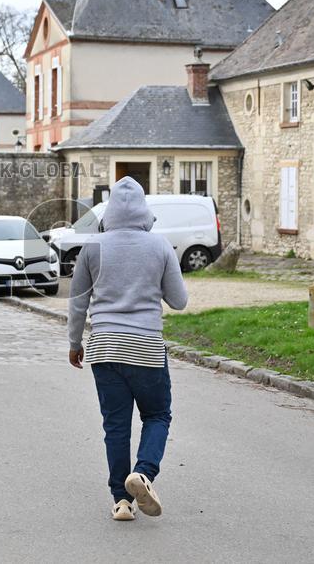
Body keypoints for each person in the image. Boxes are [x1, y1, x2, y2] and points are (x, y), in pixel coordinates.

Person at [66, 177, 188, 521]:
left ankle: (122, 501)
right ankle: (144, 473)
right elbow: (179, 301)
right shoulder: (160, 246)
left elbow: (77, 303)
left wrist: (75, 344)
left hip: (104, 347)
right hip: (146, 346)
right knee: (157, 415)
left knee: (116, 425)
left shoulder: (92, 246)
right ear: (143, 211)